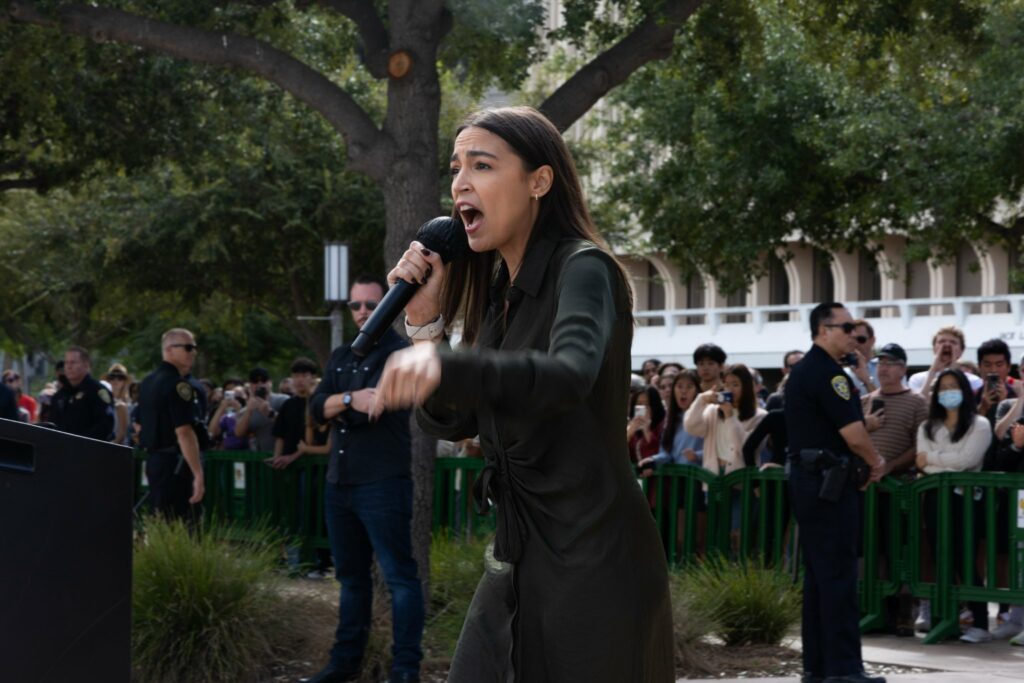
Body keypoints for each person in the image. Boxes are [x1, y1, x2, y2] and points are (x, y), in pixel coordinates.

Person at [373, 106, 674, 682]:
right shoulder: (499, 293)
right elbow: (454, 422)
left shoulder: (585, 269)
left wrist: (449, 364)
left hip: (596, 560)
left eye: (481, 165)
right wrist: (426, 325)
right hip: (519, 555)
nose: (460, 182)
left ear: (539, 181)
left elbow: (567, 377)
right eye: (456, 167)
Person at [301, 274, 424, 683]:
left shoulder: (399, 354)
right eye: (356, 305)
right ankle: (343, 664)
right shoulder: (339, 356)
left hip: (383, 482)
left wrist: (342, 404)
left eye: (371, 305)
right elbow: (317, 409)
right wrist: (350, 398)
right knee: (351, 580)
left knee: (399, 579)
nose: (362, 312)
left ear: (387, 306)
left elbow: (372, 412)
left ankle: (405, 669)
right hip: (340, 484)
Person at [784, 302, 885, 683]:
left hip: (813, 482)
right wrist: (876, 462)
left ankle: (819, 667)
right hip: (829, 486)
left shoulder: (806, 370)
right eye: (846, 328)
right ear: (823, 330)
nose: (854, 336)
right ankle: (843, 669)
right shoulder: (829, 374)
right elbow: (853, 434)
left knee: (819, 578)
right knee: (839, 576)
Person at [915, 369, 992, 643]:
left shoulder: (979, 424)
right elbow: (919, 462)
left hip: (966, 500)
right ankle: (945, 618)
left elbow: (967, 460)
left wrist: (934, 459)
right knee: (940, 556)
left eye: (953, 386)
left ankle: (980, 622)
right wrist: (942, 461)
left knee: (965, 558)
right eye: (943, 387)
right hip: (934, 498)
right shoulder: (927, 427)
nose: (948, 392)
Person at [860, 343, 926, 636]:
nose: (884, 368)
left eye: (891, 363)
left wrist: (889, 467)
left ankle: (904, 612)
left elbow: (919, 445)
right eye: (880, 363)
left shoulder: (917, 402)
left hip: (900, 489)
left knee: (899, 549)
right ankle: (876, 609)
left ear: (903, 368)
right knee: (871, 550)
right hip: (866, 490)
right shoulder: (866, 400)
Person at [137, 329, 205, 519]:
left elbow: (141, 424)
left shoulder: (148, 382)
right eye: (188, 347)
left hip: (155, 462)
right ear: (169, 350)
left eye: (194, 348)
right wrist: (197, 473)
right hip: (176, 465)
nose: (193, 352)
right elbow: (184, 431)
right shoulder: (177, 384)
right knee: (184, 525)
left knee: (161, 521)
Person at [49, 346, 115, 441]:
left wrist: (81, 443)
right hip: (62, 451)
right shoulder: (60, 395)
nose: (68, 366)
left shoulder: (97, 391)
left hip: (90, 451)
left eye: (73, 362)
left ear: (86, 365)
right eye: (66, 363)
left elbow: (105, 425)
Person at [908, 326, 983, 399]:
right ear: (934, 349)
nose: (947, 345)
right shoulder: (917, 379)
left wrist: (953, 373)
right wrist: (933, 371)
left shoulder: (974, 381)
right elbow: (919, 404)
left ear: (961, 351)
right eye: (941, 341)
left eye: (953, 342)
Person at [235, 367, 288, 453]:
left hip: (285, 455)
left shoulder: (283, 400)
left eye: (263, 381)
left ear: (270, 382)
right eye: (255, 382)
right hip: (261, 458)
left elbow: (291, 425)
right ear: (250, 385)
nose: (260, 384)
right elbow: (238, 433)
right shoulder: (246, 409)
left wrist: (270, 413)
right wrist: (249, 411)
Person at [626, 385, 666, 464]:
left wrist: (647, 431)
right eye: (639, 404)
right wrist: (628, 434)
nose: (643, 408)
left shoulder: (663, 425)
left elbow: (659, 454)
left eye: (647, 404)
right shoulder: (632, 428)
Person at [844, 319, 878, 396]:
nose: (855, 343)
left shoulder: (884, 368)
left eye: (861, 339)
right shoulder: (844, 372)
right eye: (852, 339)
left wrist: (867, 381)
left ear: (872, 340)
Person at [104, 363, 133, 445]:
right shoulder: (102, 402)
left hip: (118, 449)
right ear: (108, 380)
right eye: (112, 377)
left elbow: (122, 435)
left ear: (125, 381)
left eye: (120, 377)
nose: (116, 380)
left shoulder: (129, 405)